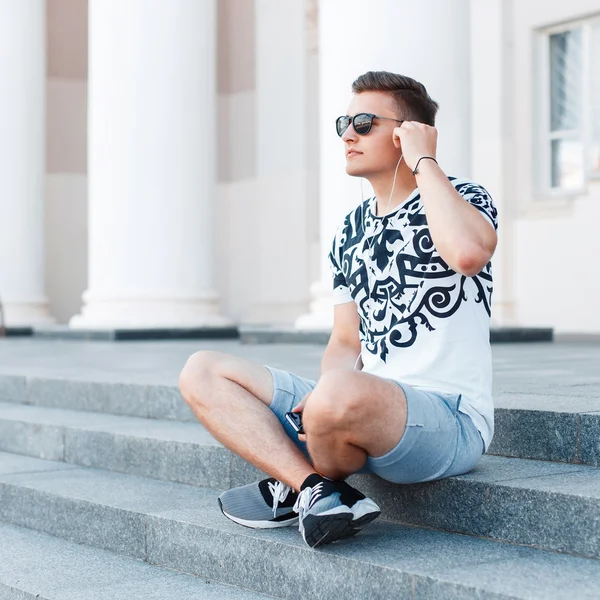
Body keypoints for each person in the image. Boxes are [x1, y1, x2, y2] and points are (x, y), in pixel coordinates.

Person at [179, 71, 498, 549]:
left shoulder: (462, 198)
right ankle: (315, 491)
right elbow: (346, 340)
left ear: (405, 131)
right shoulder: (349, 230)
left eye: (365, 122)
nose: (348, 134)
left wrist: (425, 159)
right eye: (343, 123)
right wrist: (327, 390)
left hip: (450, 419)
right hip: (357, 400)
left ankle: (289, 480)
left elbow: (469, 254)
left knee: (340, 391)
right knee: (202, 370)